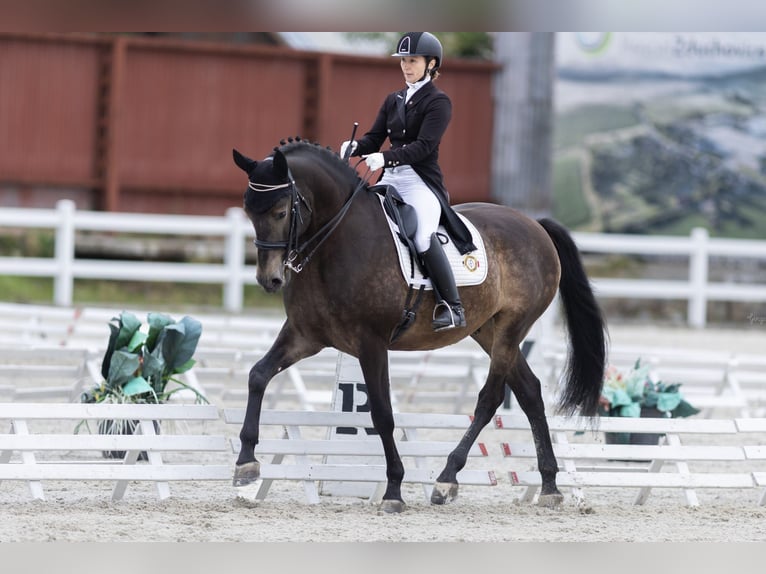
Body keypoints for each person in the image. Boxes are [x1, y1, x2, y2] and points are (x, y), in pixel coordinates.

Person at [341, 32, 476, 332]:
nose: (406, 66)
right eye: (403, 60)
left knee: (422, 237)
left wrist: (385, 158)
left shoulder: (439, 102)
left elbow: (425, 146)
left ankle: (452, 306)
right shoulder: (394, 99)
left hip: (419, 182)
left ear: (430, 64)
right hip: (390, 179)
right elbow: (375, 138)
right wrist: (356, 148)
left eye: (412, 60)